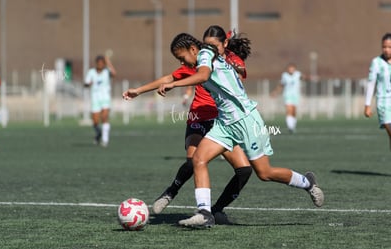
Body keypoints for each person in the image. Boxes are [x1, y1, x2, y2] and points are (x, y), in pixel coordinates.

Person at [158, 31, 324, 228]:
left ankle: (307, 182)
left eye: (182, 57)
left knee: (264, 173)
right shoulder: (206, 56)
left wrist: (173, 84)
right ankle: (204, 213)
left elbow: (203, 75)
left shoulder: (203, 55)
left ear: (193, 49)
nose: (182, 62)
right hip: (225, 123)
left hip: (246, 120)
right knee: (198, 160)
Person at [122, 31, 252, 224]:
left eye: (181, 58)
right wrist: (138, 91)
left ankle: (216, 210)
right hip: (198, 119)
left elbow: (241, 69)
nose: (182, 63)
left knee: (244, 171)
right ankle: (171, 191)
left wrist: (232, 62)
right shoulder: (195, 65)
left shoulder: (219, 61)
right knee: (193, 161)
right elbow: (168, 78)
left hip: (222, 123)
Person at [364, 33, 391, 150]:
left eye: (390, 47)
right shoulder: (376, 62)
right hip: (383, 103)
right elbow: (371, 84)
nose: (386, 50)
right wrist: (367, 105)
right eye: (384, 47)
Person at [84, 55, 116, 147]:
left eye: (103, 63)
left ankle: (105, 140)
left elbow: (114, 73)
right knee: (95, 121)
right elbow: (86, 84)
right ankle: (99, 133)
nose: (101, 65)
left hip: (105, 98)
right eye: (99, 63)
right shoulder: (91, 72)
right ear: (96, 63)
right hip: (95, 98)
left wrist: (108, 62)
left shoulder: (107, 71)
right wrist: (88, 84)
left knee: (105, 117)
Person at [271, 63, 303, 133]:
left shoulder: (298, 74)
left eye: (292, 69)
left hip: (295, 95)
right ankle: (290, 127)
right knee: (289, 110)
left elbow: (303, 77)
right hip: (287, 95)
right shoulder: (284, 75)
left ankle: (293, 126)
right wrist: (275, 92)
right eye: (289, 69)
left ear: (294, 69)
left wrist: (311, 77)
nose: (291, 70)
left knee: (294, 111)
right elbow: (281, 85)